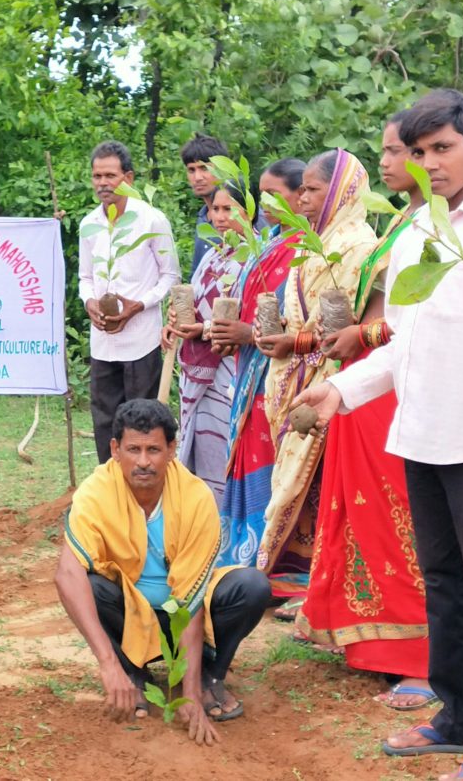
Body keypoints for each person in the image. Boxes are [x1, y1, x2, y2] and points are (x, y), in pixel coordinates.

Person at [298, 89, 463, 781]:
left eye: (443, 148)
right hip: (422, 436)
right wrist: (342, 390)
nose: (430, 163)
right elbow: (404, 346)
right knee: (443, 583)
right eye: (418, 151)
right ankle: (459, 716)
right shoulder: (415, 232)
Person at [291, 118, 433, 712]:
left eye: (400, 151)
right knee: (357, 509)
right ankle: (364, 636)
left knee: (398, 516)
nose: (388, 162)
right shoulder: (401, 221)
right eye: (386, 151)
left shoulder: (439, 226)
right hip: (363, 382)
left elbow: (417, 321)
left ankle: (421, 657)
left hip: (393, 385)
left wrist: (361, 334)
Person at [54, 399, 273, 745]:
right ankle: (132, 673)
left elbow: (191, 600)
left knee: (252, 586)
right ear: (115, 450)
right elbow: (66, 574)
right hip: (129, 618)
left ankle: (208, 677)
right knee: (91, 587)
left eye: (154, 449)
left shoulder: (195, 496)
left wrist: (189, 694)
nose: (143, 462)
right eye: (134, 450)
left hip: (182, 617)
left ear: (171, 450)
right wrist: (107, 664)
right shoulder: (96, 491)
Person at [254, 149, 386, 606]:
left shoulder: (359, 247)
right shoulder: (313, 242)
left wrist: (297, 343)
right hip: (293, 373)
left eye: (313, 189)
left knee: (322, 477)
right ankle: (295, 571)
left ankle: (322, 579)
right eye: (304, 188)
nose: (304, 198)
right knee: (300, 479)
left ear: (342, 192)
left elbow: (355, 328)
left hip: (336, 377)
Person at [207, 161, 302, 570]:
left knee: (274, 461)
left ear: (301, 195)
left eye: (274, 194)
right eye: (261, 195)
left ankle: (273, 559)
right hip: (250, 375)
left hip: (283, 378)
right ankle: (244, 553)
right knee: (250, 452)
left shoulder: (306, 250)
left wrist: (247, 334)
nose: (265, 204)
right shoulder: (267, 243)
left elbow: (303, 322)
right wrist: (228, 334)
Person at [78, 140, 181, 464]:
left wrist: (138, 305)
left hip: (141, 340)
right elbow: (85, 277)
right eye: (97, 176)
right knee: (104, 420)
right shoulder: (89, 224)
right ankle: (109, 485)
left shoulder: (152, 220)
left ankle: (144, 484)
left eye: (110, 175)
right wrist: (89, 302)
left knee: (142, 420)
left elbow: (170, 275)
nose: (103, 183)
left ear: (129, 178)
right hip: (103, 341)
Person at [165, 177, 253, 505]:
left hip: (231, 370)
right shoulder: (213, 256)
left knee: (224, 448)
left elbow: (248, 319)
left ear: (249, 211)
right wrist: (174, 320)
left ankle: (224, 520)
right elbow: (194, 302)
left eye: (229, 209)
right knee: (202, 448)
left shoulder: (255, 258)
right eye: (215, 209)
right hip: (198, 371)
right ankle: (203, 519)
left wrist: (202, 330)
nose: (219, 217)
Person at [180, 134, 230, 276]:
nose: (197, 177)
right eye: (191, 170)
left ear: (222, 169)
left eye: (204, 168)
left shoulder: (242, 213)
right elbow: (197, 272)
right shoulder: (203, 217)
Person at [257, 158, 306, 236]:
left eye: (271, 194)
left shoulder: (314, 239)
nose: (263, 202)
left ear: (301, 193)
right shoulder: (265, 240)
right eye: (262, 195)